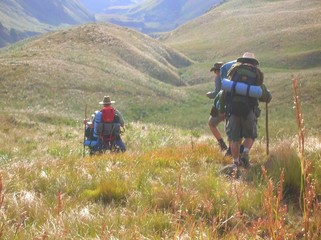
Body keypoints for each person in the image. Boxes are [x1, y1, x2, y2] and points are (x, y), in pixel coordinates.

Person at [224, 52, 271, 168]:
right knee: (250, 135)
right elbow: (264, 95)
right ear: (254, 63)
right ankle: (245, 153)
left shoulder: (234, 70)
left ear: (242, 61)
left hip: (233, 110)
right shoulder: (257, 73)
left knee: (234, 138)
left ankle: (235, 163)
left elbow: (226, 91)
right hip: (249, 110)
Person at [206, 62, 228, 151]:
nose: (215, 73)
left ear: (218, 71)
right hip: (231, 105)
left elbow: (217, 93)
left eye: (215, 71)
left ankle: (222, 144)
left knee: (211, 123)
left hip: (221, 106)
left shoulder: (219, 78)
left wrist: (209, 94)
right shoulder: (230, 78)